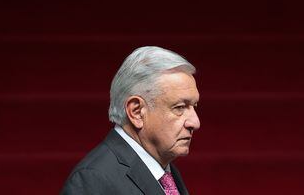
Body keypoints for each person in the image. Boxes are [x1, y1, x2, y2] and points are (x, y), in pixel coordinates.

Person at [60, 46, 200, 195]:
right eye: (179, 107)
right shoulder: (93, 180)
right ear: (136, 112)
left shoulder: (164, 170)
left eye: (194, 106)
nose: (195, 122)